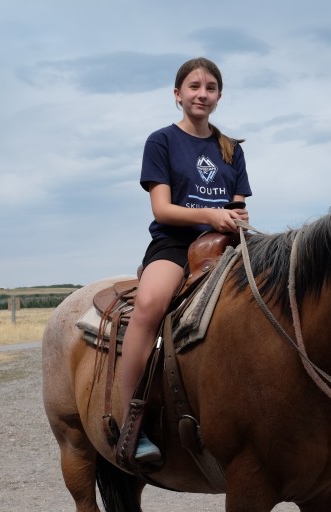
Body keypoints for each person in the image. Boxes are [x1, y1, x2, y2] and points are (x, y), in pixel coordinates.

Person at [120, 57, 252, 462]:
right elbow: (162, 209)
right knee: (148, 304)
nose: (202, 93)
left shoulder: (231, 148)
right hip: (176, 243)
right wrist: (210, 215)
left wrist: (234, 219)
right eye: (194, 86)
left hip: (226, 244)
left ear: (219, 97)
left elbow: (238, 207)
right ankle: (131, 419)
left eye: (210, 87)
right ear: (178, 95)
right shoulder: (161, 141)